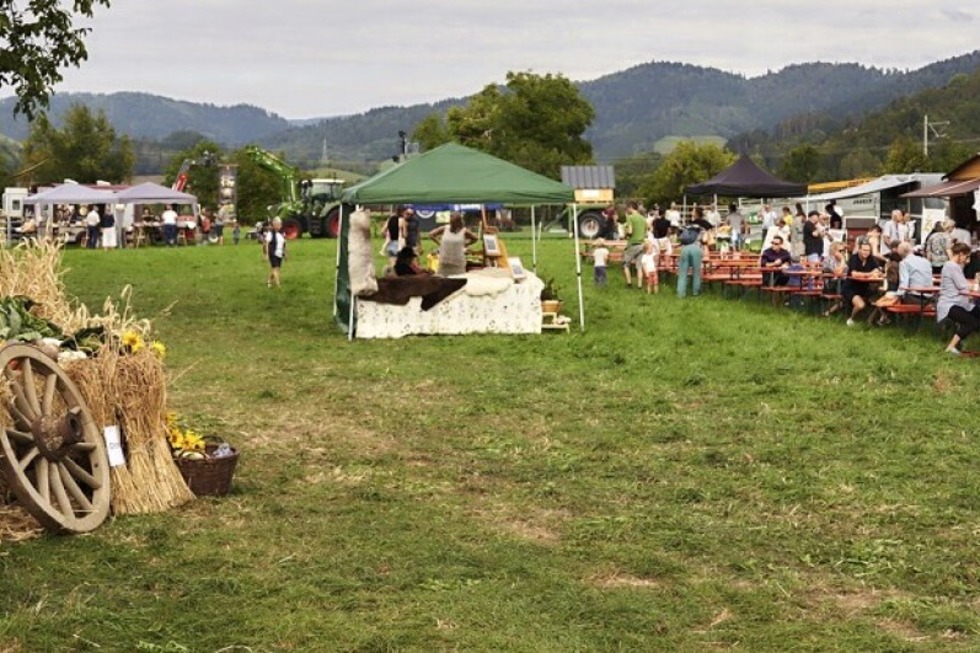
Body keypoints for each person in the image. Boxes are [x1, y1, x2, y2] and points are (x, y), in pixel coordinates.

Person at [937, 242, 980, 355]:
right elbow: (962, 285)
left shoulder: (954, 266)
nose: (967, 258)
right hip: (950, 304)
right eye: (967, 256)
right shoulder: (952, 266)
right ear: (960, 254)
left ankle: (960, 342)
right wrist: (974, 285)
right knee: (972, 322)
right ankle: (951, 347)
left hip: (959, 302)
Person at [842, 241, 883, 326]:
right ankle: (851, 319)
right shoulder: (854, 258)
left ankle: (874, 320)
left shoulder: (871, 258)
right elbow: (854, 274)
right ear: (859, 250)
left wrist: (874, 272)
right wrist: (870, 274)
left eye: (868, 250)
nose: (866, 252)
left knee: (879, 298)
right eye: (864, 250)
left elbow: (878, 270)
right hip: (851, 287)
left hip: (865, 287)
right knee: (860, 305)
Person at [428, 212, 478, 276]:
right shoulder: (445, 228)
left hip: (458, 263)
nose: (451, 224)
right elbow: (431, 235)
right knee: (443, 281)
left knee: (458, 280)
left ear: (458, 222)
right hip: (444, 262)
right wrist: (440, 243)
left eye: (453, 223)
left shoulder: (464, 231)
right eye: (450, 222)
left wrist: (466, 244)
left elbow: (475, 238)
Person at [622, 201, 647, 288]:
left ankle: (629, 283)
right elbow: (645, 232)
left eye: (628, 208)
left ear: (631, 208)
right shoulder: (643, 219)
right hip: (642, 244)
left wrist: (625, 236)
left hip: (633, 244)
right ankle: (639, 285)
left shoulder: (630, 218)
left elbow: (630, 231)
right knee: (639, 266)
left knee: (626, 264)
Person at [821, 241, 848, 317]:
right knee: (849, 291)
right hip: (830, 285)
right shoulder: (829, 259)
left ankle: (828, 313)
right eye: (840, 251)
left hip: (841, 283)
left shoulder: (841, 261)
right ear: (833, 251)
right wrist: (843, 260)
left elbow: (847, 272)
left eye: (844, 251)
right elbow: (838, 273)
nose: (842, 253)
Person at [676, 223, 703, 298]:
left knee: (683, 273)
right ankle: (696, 292)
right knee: (696, 273)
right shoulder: (699, 231)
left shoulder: (685, 231)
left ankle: (681, 293)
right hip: (696, 249)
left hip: (685, 249)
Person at [263, 217, 286, 288]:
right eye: (276, 224)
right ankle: (278, 285)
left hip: (279, 254)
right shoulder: (270, 234)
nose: (278, 226)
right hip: (272, 253)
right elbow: (266, 244)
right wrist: (266, 254)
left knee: (276, 269)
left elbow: (283, 244)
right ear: (273, 225)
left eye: (279, 225)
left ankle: (269, 280)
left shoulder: (282, 234)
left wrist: (285, 253)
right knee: (275, 269)